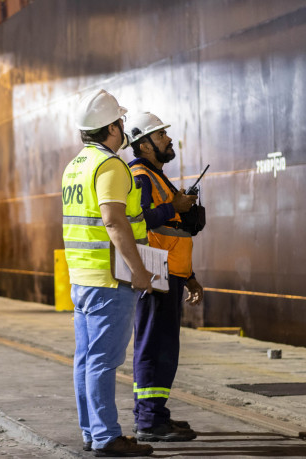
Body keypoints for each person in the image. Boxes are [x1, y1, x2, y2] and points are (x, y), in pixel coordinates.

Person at [62, 89, 154, 457]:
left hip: (82, 279)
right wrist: (140, 271)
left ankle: (91, 431)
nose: (123, 127)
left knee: (85, 360)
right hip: (109, 281)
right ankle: (106, 438)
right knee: (102, 362)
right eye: (120, 121)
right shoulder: (109, 166)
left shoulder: (75, 165)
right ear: (112, 128)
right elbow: (114, 221)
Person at [127, 112, 203, 442]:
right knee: (154, 346)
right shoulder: (141, 176)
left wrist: (189, 278)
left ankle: (154, 414)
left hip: (168, 273)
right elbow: (140, 221)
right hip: (155, 274)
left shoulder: (156, 176)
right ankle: (149, 420)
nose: (168, 140)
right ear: (144, 145)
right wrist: (176, 206)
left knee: (162, 347)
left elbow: (171, 233)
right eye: (160, 136)